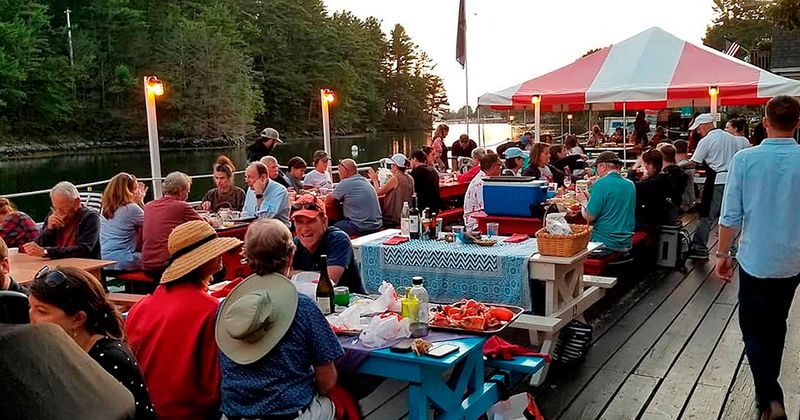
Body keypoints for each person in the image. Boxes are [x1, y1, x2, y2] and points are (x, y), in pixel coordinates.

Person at [716, 95, 800, 420]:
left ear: (765, 123)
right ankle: (768, 392)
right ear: (797, 123)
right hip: (793, 260)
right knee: (777, 322)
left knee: (752, 328)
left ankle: (770, 396)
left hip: (756, 258)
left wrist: (722, 254)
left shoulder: (745, 160)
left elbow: (730, 216)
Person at [217, 219, 344, 420]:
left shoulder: (226, 307)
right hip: (290, 413)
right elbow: (327, 380)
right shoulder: (303, 307)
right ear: (290, 256)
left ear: (246, 258)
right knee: (341, 402)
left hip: (233, 414)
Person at [126, 220, 242, 419]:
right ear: (202, 260)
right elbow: (217, 380)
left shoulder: (141, 307)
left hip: (147, 410)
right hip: (193, 412)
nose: (220, 254)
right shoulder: (211, 310)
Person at [28, 266, 155, 419]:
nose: (31, 317)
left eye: (41, 311)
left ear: (78, 319)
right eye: (30, 307)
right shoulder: (56, 347)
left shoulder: (109, 360)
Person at [680, 113, 750, 259]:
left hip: (716, 180)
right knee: (728, 214)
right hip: (731, 180)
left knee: (707, 214)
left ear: (705, 125)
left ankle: (699, 247)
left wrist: (676, 166)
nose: (698, 131)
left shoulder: (707, 140)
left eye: (698, 128)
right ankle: (732, 248)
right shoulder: (732, 139)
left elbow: (694, 162)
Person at [291, 194, 366, 294]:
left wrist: (298, 276)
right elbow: (281, 277)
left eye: (311, 221)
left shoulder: (338, 239)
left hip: (350, 301)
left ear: (324, 222)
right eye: (299, 222)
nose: (305, 228)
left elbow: (328, 281)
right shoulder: (295, 244)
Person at [141, 172, 202, 281]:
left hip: (147, 264)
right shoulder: (181, 206)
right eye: (187, 191)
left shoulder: (149, 206)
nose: (187, 194)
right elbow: (204, 227)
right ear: (181, 190)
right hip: (167, 265)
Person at [23, 182, 100, 259]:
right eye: (55, 208)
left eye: (63, 209)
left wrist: (47, 252)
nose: (59, 213)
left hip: (83, 264)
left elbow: (84, 249)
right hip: (56, 264)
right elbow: (38, 246)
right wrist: (49, 230)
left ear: (77, 202)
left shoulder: (90, 217)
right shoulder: (52, 215)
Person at [576, 152, 635, 252]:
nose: (596, 172)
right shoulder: (630, 184)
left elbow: (589, 216)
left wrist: (583, 201)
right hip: (626, 241)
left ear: (603, 166)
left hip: (604, 241)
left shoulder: (600, 184)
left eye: (597, 168)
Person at [627, 149, 687, 229]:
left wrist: (633, 169)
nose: (643, 167)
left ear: (651, 165)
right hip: (660, 214)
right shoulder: (664, 177)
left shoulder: (655, 182)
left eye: (644, 164)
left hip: (650, 219)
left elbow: (631, 187)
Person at [100, 173, 147, 271]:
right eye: (135, 189)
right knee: (156, 259)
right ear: (129, 191)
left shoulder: (105, 208)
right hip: (122, 259)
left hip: (103, 259)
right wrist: (141, 202)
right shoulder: (131, 209)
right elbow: (152, 222)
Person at [327, 159, 382, 236]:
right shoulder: (365, 181)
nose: (339, 173)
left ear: (346, 171)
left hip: (360, 227)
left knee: (328, 228)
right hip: (376, 225)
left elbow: (328, 200)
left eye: (340, 170)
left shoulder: (346, 183)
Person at [367, 154, 414, 228]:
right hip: (405, 216)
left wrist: (375, 179)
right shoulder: (410, 178)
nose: (391, 167)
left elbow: (378, 192)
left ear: (395, 166)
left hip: (393, 218)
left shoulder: (396, 178)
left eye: (392, 165)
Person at [463, 154, 503, 233]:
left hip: (480, 219)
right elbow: (486, 209)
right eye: (499, 166)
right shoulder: (481, 184)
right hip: (475, 224)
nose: (500, 169)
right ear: (493, 167)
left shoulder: (484, 178)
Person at [241, 161, 290, 226]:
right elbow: (245, 212)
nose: (246, 181)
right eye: (246, 177)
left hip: (276, 229)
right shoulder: (250, 189)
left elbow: (265, 218)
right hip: (253, 227)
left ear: (263, 177)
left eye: (250, 177)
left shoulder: (280, 191)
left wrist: (259, 194)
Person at [673, 140, 696, 212]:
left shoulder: (678, 167)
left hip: (682, 203)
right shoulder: (689, 164)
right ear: (687, 149)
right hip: (690, 200)